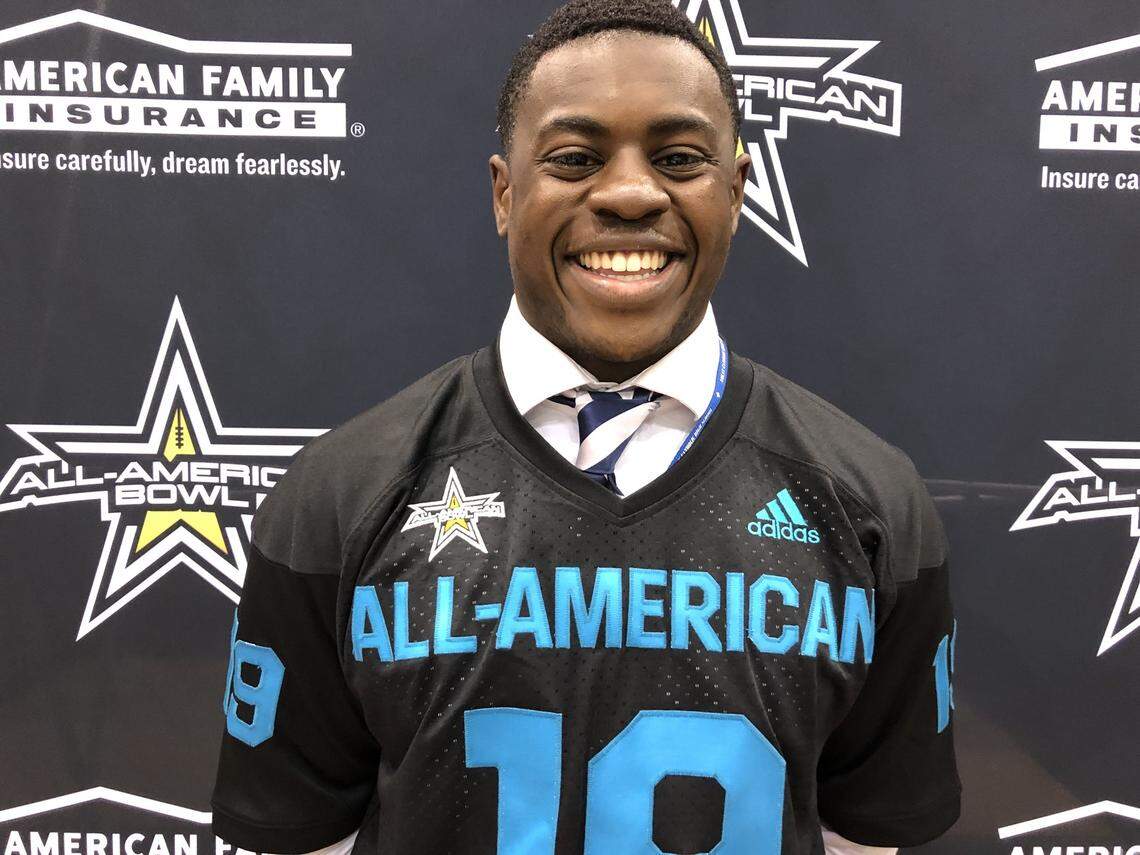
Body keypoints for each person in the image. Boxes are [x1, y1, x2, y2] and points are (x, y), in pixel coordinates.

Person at [210, 1, 961, 852]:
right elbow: (297, 834)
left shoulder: (869, 503)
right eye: (575, 158)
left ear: (737, 190)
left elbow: (866, 832)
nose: (633, 193)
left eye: (679, 158)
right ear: (505, 192)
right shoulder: (339, 498)